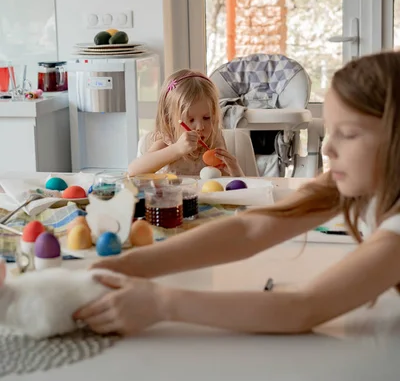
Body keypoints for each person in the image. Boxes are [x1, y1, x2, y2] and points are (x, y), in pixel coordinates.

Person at [75, 51, 400, 336]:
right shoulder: (359, 181)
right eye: (332, 131)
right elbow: (251, 228)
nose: (328, 148)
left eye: (349, 134)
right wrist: (132, 265)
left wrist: (160, 303)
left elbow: (302, 308)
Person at [128, 69, 243, 177]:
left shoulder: (214, 140)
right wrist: (177, 149)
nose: (200, 127)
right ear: (169, 119)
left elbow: (229, 184)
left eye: (207, 118)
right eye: (191, 120)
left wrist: (235, 170)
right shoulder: (166, 142)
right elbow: (133, 171)